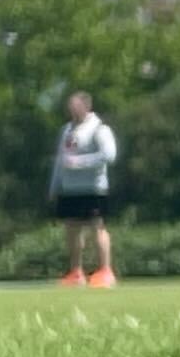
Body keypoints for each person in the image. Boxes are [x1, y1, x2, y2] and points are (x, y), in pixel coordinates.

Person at [50, 90, 118, 288]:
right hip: (70, 189)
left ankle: (105, 271)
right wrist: (54, 185)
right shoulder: (66, 130)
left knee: (97, 227)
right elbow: (60, 161)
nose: (72, 109)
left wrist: (80, 163)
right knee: (72, 230)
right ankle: (75, 272)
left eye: (76, 105)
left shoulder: (99, 129)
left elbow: (109, 155)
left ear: (86, 106)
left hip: (93, 188)